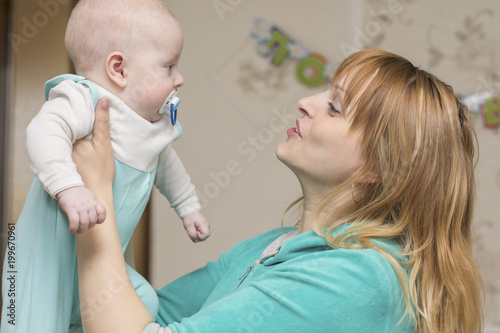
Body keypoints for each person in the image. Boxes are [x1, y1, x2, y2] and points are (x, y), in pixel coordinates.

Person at [73, 49, 484, 333]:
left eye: (335, 107)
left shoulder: (360, 279)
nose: (306, 101)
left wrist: (97, 193)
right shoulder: (269, 248)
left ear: (379, 167)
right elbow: (139, 311)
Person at [0, 1, 210, 332]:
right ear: (119, 69)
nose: (179, 78)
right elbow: (44, 131)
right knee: (30, 322)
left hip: (100, 263)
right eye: (169, 66)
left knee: (144, 303)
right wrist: (69, 186)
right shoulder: (86, 100)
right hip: (47, 265)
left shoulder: (149, 125)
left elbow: (166, 162)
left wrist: (188, 206)